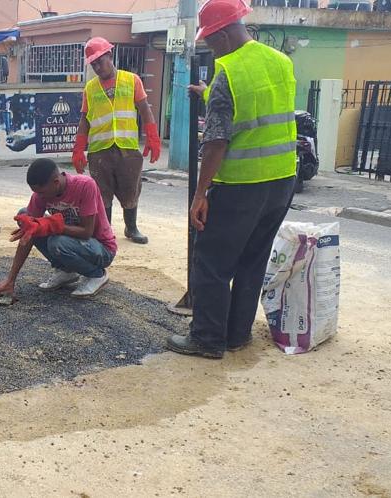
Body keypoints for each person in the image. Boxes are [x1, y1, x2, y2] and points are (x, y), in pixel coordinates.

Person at [166, 0, 297, 359]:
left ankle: (207, 339)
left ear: (223, 34)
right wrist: (207, 94)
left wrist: (199, 194)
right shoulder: (280, 61)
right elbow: (253, 109)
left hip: (242, 185)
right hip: (282, 180)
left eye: (210, 40)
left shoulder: (228, 72)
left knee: (211, 261)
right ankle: (236, 334)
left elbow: (217, 141)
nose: (210, 46)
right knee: (252, 261)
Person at [0, 158, 117, 300]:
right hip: (70, 242)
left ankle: (97, 275)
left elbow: (86, 232)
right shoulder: (39, 196)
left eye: (41, 193)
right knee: (25, 215)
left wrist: (49, 225)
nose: (39, 196)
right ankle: (66, 271)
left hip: (101, 249)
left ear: (56, 182)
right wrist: (11, 279)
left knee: (57, 242)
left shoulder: (85, 185)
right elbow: (29, 235)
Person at [72, 37, 161, 245]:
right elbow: (84, 119)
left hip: (127, 148)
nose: (97, 67)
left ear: (110, 57)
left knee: (131, 188)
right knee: (102, 194)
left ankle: (131, 228)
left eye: (100, 61)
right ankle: (105, 230)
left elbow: (144, 109)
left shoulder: (132, 80)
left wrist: (152, 136)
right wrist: (78, 148)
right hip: (100, 150)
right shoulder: (90, 88)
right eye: (93, 64)